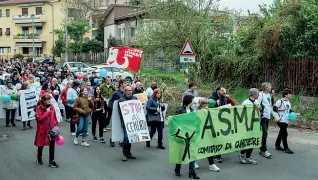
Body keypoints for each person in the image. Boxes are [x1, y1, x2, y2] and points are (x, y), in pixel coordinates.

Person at [174, 95, 200, 179]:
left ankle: (192, 172)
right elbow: (176, 122)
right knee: (182, 153)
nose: (194, 102)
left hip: (191, 135)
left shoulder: (193, 110)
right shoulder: (180, 110)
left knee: (192, 153)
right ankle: (177, 168)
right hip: (182, 135)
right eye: (193, 100)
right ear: (189, 101)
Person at [34, 94, 60, 168]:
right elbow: (40, 119)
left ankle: (51, 161)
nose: (49, 101)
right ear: (44, 101)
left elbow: (55, 117)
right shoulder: (38, 108)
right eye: (48, 100)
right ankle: (39, 158)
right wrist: (47, 112)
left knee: (52, 145)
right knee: (41, 144)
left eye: (50, 99)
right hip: (42, 129)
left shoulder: (52, 107)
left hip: (52, 129)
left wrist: (57, 126)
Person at [196, 98, 221, 171]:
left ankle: (212, 164)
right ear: (201, 105)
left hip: (207, 132)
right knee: (197, 147)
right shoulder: (197, 111)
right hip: (199, 132)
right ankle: (194, 162)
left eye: (207, 104)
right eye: (205, 104)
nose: (207, 105)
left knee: (208, 147)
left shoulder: (209, 110)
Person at [274, 89, 300, 154]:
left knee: (281, 133)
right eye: (289, 94)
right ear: (285, 94)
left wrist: (295, 113)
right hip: (280, 120)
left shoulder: (288, 102)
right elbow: (274, 109)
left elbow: (289, 110)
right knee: (285, 134)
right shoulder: (280, 101)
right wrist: (282, 109)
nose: (291, 95)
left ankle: (277, 145)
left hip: (286, 120)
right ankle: (286, 148)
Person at [239, 88, 260, 164]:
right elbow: (242, 113)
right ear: (253, 94)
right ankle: (242, 155)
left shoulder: (257, 102)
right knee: (246, 140)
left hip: (255, 124)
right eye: (257, 94)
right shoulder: (246, 102)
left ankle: (248, 157)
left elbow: (259, 111)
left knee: (253, 140)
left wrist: (260, 109)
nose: (258, 95)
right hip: (247, 125)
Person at [118, 86, 137, 161]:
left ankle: (128, 152)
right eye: (128, 90)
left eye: (131, 90)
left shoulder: (134, 99)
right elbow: (120, 112)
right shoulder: (121, 100)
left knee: (131, 137)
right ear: (125, 91)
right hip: (126, 122)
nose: (130, 91)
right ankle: (125, 153)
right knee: (126, 137)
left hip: (133, 121)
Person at [108, 79, 128, 147]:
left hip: (124, 112)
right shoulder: (116, 93)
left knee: (122, 126)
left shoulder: (126, 93)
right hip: (116, 112)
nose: (126, 84)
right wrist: (113, 109)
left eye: (127, 83)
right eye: (125, 83)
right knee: (115, 125)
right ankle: (112, 139)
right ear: (121, 84)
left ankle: (121, 141)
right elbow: (110, 102)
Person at [258, 82, 273, 158]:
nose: (271, 87)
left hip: (267, 116)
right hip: (262, 117)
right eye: (270, 86)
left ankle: (261, 149)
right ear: (266, 87)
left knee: (265, 133)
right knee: (265, 133)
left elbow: (269, 105)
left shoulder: (269, 95)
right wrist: (261, 113)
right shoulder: (260, 95)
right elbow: (257, 105)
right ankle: (264, 150)